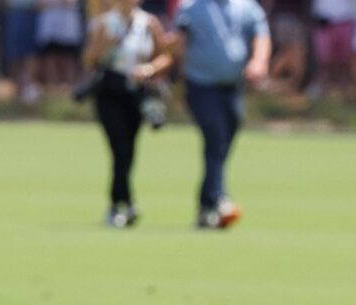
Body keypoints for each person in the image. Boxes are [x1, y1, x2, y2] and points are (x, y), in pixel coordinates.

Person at [172, 0, 270, 229]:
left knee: (225, 140)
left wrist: (258, 61)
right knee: (215, 136)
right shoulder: (190, 7)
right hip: (201, 85)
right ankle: (219, 198)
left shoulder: (246, 6)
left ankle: (207, 206)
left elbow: (261, 36)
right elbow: (179, 40)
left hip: (233, 86)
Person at [82, 0, 172, 227]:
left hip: (136, 92)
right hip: (110, 91)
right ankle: (121, 203)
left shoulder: (149, 23)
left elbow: (165, 56)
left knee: (129, 150)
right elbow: (88, 60)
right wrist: (103, 46)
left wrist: (149, 69)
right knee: (119, 147)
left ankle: (122, 204)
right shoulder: (104, 24)